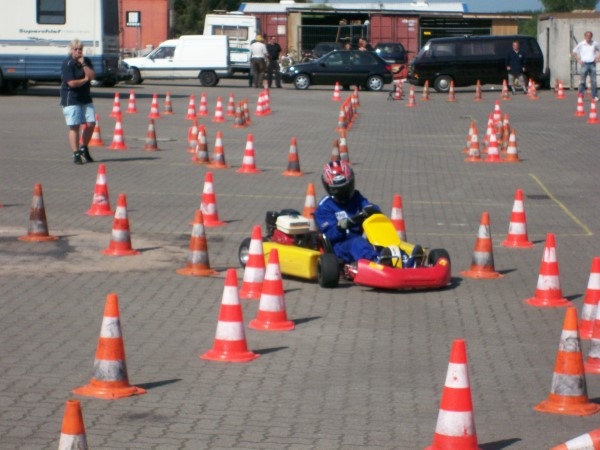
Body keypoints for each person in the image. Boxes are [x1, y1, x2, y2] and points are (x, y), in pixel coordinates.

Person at [60, 39, 96, 164]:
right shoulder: (67, 63)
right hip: (71, 98)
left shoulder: (86, 61)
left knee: (91, 124)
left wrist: (84, 65)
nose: (78, 51)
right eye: (75, 49)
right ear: (71, 50)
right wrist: (85, 80)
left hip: (85, 97)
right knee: (75, 126)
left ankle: (83, 148)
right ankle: (76, 153)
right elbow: (72, 83)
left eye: (80, 49)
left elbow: (92, 76)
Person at [572, 31, 600, 101]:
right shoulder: (581, 44)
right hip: (584, 64)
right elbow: (574, 51)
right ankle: (580, 95)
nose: (588, 37)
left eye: (590, 36)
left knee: (594, 81)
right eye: (587, 36)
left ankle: (594, 96)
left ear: (591, 37)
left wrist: (598, 58)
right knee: (582, 81)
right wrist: (578, 60)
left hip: (592, 64)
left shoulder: (594, 43)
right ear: (585, 36)